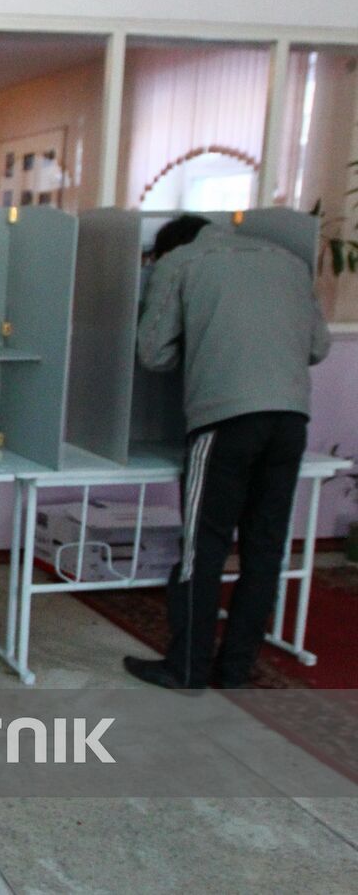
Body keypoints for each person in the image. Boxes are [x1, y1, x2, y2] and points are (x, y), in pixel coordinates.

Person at [125, 214, 331, 690]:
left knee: (203, 548)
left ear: (165, 247)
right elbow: (317, 347)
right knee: (265, 550)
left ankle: (188, 668)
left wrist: (204, 349)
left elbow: (152, 351)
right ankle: (236, 669)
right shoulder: (288, 260)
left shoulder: (180, 262)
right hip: (290, 419)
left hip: (222, 421)